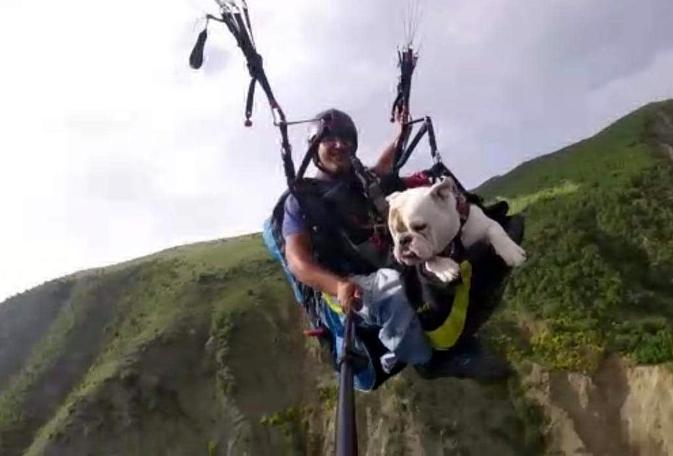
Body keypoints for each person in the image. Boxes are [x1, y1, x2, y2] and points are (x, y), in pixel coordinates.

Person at [282, 108, 512, 380]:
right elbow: (298, 262)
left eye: (346, 139)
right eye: (330, 139)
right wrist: (338, 286)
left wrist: (400, 136)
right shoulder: (300, 201)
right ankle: (428, 362)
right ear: (314, 147)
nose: (340, 145)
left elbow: (383, 169)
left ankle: (452, 323)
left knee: (446, 243)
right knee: (391, 288)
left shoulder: (361, 180)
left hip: (382, 258)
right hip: (346, 280)